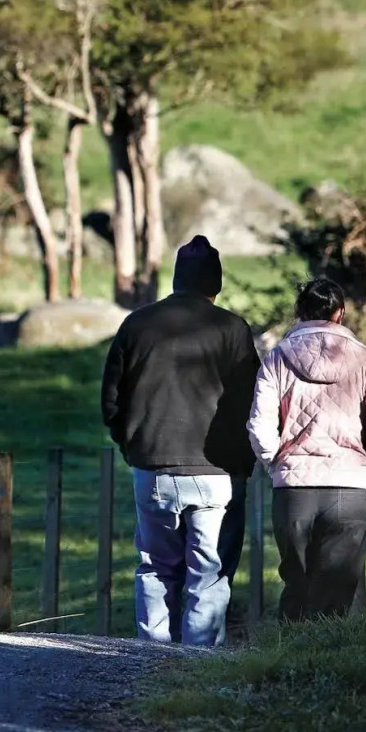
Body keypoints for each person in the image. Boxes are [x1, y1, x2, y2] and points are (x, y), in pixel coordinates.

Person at [101, 235, 261, 647]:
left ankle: (150, 658)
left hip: (152, 466)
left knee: (155, 566)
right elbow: (251, 401)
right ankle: (198, 665)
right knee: (208, 573)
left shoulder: (137, 324)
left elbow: (111, 398)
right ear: (216, 284)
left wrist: (132, 446)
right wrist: (242, 463)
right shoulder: (232, 329)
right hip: (216, 473)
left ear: (176, 280)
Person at [248, 277, 366, 621]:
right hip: (348, 488)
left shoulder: (276, 359)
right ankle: (324, 668)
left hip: (292, 491)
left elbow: (260, 424)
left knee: (297, 590)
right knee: (334, 604)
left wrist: (276, 461)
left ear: (299, 313)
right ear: (341, 313)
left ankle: (284, 669)